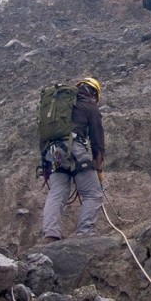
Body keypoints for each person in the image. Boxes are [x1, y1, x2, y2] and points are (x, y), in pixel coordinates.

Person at [42, 77, 105, 243]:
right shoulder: (89, 106)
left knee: (56, 193)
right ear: (94, 94)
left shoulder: (62, 106)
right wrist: (98, 169)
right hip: (75, 149)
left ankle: (51, 235)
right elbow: (97, 141)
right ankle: (84, 232)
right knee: (93, 193)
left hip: (53, 153)